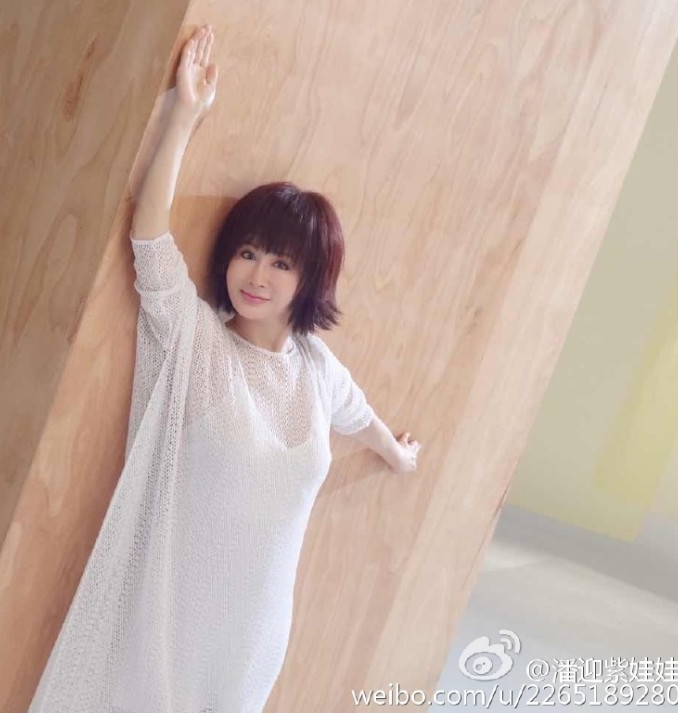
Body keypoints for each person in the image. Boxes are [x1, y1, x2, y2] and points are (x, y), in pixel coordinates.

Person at [28, 23, 421, 713]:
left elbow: (357, 414)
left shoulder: (315, 368)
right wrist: (184, 116)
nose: (257, 275)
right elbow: (149, 235)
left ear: (310, 280)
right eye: (248, 252)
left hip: (251, 640)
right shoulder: (195, 339)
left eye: (281, 262)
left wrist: (396, 454)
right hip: (165, 630)